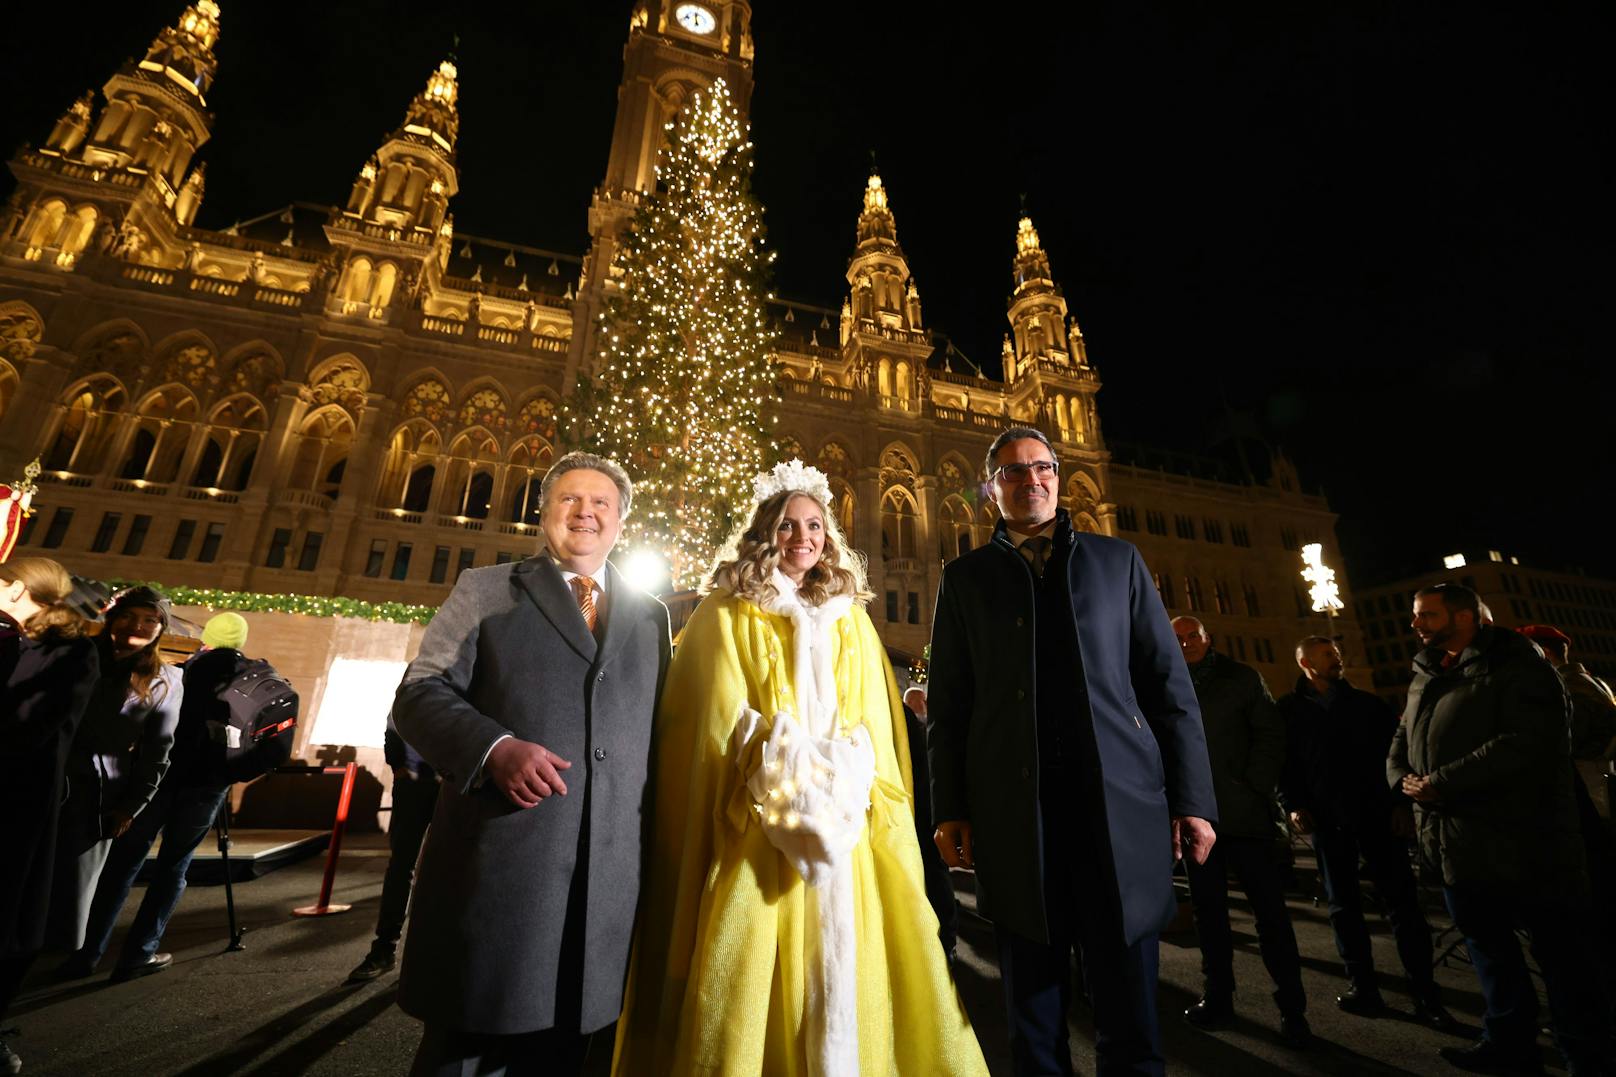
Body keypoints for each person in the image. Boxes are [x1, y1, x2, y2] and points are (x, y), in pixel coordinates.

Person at [613, 460, 987, 1076]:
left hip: (847, 826)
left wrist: (842, 774)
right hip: (761, 821)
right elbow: (717, 713)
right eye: (789, 525)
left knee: (857, 963)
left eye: (815, 525)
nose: (804, 537)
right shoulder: (724, 612)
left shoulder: (853, 618)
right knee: (753, 970)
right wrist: (787, 770)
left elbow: (873, 718)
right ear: (767, 532)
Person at [927, 426, 1217, 1076]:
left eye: (1041, 467)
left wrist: (1194, 799)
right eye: (1012, 471)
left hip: (1119, 819)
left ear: (1057, 476)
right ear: (990, 489)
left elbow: (1169, 690)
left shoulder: (1120, 563)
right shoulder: (964, 579)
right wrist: (951, 808)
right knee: (1034, 1027)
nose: (1030, 480)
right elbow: (949, 708)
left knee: (1131, 1023)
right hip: (1017, 823)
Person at [392, 452, 671, 1077]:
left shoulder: (652, 616)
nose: (586, 513)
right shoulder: (485, 590)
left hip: (605, 891)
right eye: (570, 499)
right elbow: (418, 694)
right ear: (543, 512)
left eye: (601, 503)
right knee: (465, 1056)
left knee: (570, 1059)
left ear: (621, 520)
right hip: (504, 877)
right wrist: (494, 749)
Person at [1390, 583, 1611, 1074]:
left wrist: (1441, 783)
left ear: (1466, 617)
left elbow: (1527, 744)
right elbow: (1403, 736)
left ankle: (1586, 1056)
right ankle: (1508, 1041)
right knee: (1490, 952)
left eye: (1427, 614)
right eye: (1415, 615)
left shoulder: (1521, 667)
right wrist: (1402, 780)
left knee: (1561, 959)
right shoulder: (1426, 672)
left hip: (1526, 841)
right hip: (1456, 843)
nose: (1416, 623)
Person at [68, 612, 281, 981]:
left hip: (158, 780)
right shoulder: (250, 681)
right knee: (174, 868)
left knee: (121, 865)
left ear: (207, 639)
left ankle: (86, 953)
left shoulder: (177, 671)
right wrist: (228, 774)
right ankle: (139, 954)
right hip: (207, 787)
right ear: (240, 642)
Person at [1277, 635, 1453, 1029]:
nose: (1337, 659)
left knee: (1403, 905)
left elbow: (1395, 758)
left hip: (1376, 816)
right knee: (1343, 907)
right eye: (1327, 655)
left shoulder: (1366, 705)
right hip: (1327, 820)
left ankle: (1425, 992)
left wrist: (1400, 805)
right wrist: (1293, 805)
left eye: (1337, 653)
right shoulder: (1287, 712)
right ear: (1305, 663)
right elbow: (1285, 765)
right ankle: (1363, 986)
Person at [1169, 616, 1309, 1045]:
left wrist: (1252, 784)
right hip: (1197, 819)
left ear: (1209, 639)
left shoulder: (1241, 677)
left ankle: (1293, 1010)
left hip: (1245, 816)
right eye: (1178, 638)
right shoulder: (1163, 680)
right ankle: (1218, 998)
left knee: (1271, 916)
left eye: (1193, 635)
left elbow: (1271, 734)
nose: (1187, 643)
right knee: (1210, 917)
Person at [47, 585, 182, 966]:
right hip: (41, 785)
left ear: (160, 628)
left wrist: (132, 806)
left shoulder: (166, 680)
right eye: (128, 615)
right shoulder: (75, 657)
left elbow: (159, 750)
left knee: (69, 900)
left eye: (149, 619)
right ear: (111, 618)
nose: (136, 625)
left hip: (97, 799)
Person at [0, 558, 99, 1075]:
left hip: (16, 805)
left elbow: (32, 728)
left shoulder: (71, 652)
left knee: (10, 920)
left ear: (17, 588)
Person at [347, 713, 440, 983]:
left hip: (453, 785)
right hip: (413, 783)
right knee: (401, 867)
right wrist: (398, 766)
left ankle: (429, 954)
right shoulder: (422, 676)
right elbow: (395, 720)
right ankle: (384, 948)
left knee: (446, 869)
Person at [1518, 623, 1616, 817]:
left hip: (1590, 793)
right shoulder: (1590, 683)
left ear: (1544, 653)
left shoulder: (1569, 689)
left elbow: (1566, 744)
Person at [904, 681, 959, 961]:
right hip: (913, 810)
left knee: (935, 874)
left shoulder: (914, 723)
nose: (922, 706)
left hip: (925, 810)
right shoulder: (907, 720)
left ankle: (946, 940)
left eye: (922, 702)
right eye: (918, 703)